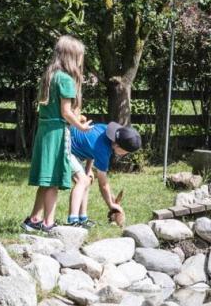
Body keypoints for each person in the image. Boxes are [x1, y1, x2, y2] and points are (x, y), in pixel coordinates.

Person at [24, 35, 92, 232]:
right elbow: (65, 112)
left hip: (44, 131)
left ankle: (34, 219)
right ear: (71, 57)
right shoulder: (66, 80)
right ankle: (48, 223)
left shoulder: (50, 76)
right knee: (53, 179)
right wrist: (81, 127)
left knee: (45, 179)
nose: (81, 61)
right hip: (57, 133)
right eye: (79, 56)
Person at [68, 121, 142, 227]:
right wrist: (111, 204)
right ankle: (73, 220)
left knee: (87, 180)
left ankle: (82, 218)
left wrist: (88, 169)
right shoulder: (103, 150)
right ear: (118, 146)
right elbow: (103, 184)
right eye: (126, 152)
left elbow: (90, 146)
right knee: (82, 181)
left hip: (73, 145)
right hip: (64, 148)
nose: (125, 155)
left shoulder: (107, 131)